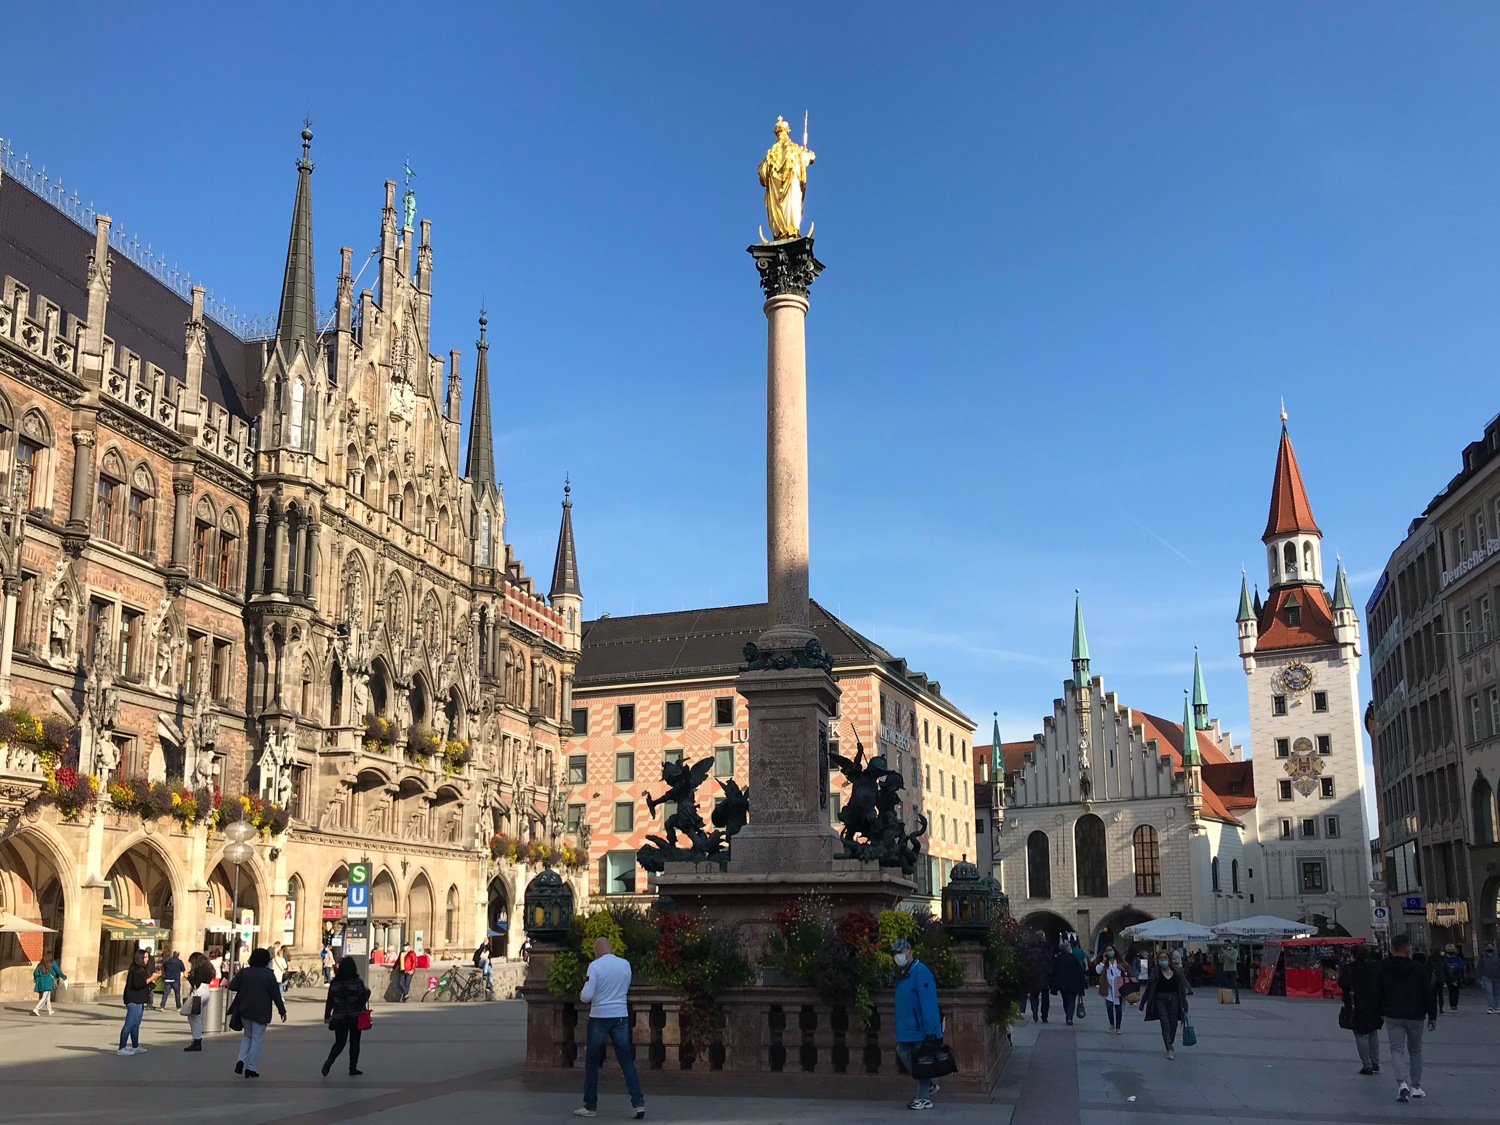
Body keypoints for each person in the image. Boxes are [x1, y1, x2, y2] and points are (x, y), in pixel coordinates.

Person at [574, 935, 645, 1119]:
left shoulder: (595, 966)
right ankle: (638, 1103)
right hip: (620, 1015)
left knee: (591, 1061)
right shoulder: (625, 964)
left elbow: (587, 996)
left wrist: (582, 994)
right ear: (611, 948)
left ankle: (590, 1106)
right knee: (626, 1060)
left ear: (597, 951)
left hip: (599, 1016)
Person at [1375, 934, 1436, 1103]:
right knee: (1415, 1050)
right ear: (1407, 948)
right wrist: (1432, 1015)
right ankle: (1416, 1086)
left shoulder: (1383, 967)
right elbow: (1427, 992)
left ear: (1392, 948)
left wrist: (1380, 1010)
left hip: (1393, 1014)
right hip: (1416, 1014)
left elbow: (1377, 991)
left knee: (1396, 1049)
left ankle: (1401, 1083)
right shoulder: (1417, 967)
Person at [891, 938, 942, 1112]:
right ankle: (926, 1086)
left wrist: (931, 1029)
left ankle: (923, 1097)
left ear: (910, 953)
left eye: (901, 953)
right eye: (895, 954)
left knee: (921, 1060)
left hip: (920, 1027)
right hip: (908, 1026)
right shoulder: (905, 973)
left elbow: (928, 1002)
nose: (898, 957)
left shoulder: (920, 971)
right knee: (904, 1052)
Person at [226, 947, 288, 1079]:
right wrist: (281, 1010)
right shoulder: (268, 974)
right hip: (261, 1010)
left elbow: (232, 986)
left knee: (247, 1036)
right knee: (257, 1039)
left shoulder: (245, 972)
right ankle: (251, 1067)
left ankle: (240, 1060)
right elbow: (275, 994)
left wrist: (245, 987)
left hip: (245, 1008)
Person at [322, 955, 372, 1077]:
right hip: (355, 1017)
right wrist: (367, 993)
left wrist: (327, 1015)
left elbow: (330, 1001)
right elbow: (362, 999)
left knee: (339, 1042)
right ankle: (352, 1067)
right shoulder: (357, 982)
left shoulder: (334, 983)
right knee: (354, 1043)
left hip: (339, 1017)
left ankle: (329, 1061)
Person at [1336, 944, 1383, 1075]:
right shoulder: (1373, 968)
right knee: (1373, 1033)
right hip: (1373, 1004)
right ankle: (1375, 1062)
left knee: (1361, 1034)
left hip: (1355, 1004)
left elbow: (1342, 984)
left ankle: (1367, 1065)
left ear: (1353, 955)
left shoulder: (1349, 968)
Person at [1139, 951, 1189, 1060]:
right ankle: (1169, 1048)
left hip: (1174, 1000)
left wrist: (1185, 1004)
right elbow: (1149, 989)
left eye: (1165, 957)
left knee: (1173, 1025)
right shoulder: (1155, 972)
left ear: (1169, 959)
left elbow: (1181, 990)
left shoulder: (1176, 972)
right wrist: (1142, 1003)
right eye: (1161, 958)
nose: (1163, 960)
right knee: (1165, 1024)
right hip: (1160, 1000)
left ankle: (1169, 1042)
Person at [118, 948, 161, 1055]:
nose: (147, 959)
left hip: (139, 998)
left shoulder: (142, 969)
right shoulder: (135, 969)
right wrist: (152, 978)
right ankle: (121, 1048)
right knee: (129, 1023)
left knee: (136, 1023)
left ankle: (135, 1045)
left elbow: (145, 983)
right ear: (139, 958)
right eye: (145, 957)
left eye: (147, 957)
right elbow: (138, 984)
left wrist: (154, 978)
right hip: (133, 998)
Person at [1094, 945, 1132, 1035]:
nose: (1109, 952)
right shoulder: (1105, 963)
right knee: (1109, 1006)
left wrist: (1122, 969)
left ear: (1114, 951)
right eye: (1107, 950)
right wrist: (1103, 960)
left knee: (1118, 1008)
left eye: (1110, 950)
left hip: (1119, 987)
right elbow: (1098, 971)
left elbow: (1128, 970)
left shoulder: (1120, 961)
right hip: (1108, 988)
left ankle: (1118, 1026)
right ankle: (1111, 1024)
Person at [183, 951, 217, 1051]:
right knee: (195, 1016)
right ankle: (196, 1039)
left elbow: (195, 984)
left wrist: (189, 977)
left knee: (194, 1017)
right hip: (206, 991)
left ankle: (197, 1040)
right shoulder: (208, 968)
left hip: (199, 992)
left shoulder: (199, 969)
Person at [1049, 942, 1086, 1026]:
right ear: (1067, 948)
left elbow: (1054, 971)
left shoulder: (1058, 958)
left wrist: (1053, 984)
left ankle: (1068, 1015)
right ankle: (1069, 1017)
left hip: (1062, 984)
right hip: (1073, 983)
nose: (1070, 948)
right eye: (1069, 946)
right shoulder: (1073, 958)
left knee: (1065, 1000)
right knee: (1071, 1000)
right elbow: (1079, 971)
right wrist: (1083, 983)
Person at [1423, 946, 1451, 1014]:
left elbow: (1425, 969)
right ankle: (1441, 1009)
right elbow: (1447, 969)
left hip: (1432, 980)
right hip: (1440, 979)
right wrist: (1450, 977)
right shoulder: (1442, 959)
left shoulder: (1429, 959)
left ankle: (1434, 1009)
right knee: (1440, 995)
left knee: (1433, 995)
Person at [1478, 942, 1500, 1014]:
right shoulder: (1482, 956)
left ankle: (1497, 1007)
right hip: (1486, 977)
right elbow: (1479, 967)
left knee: (1496, 993)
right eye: (1488, 947)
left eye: (1491, 947)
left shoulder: (1497, 956)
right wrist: (1479, 977)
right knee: (1489, 992)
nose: (1489, 948)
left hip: (1497, 977)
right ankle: (1491, 1007)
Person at [1442, 944, 1464, 1010]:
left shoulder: (1457, 958)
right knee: (1451, 991)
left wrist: (1453, 969)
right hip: (1448, 977)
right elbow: (1443, 967)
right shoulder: (1444, 958)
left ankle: (1455, 1004)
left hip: (1457, 976)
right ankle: (1452, 1004)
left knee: (1456, 991)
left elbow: (1460, 966)